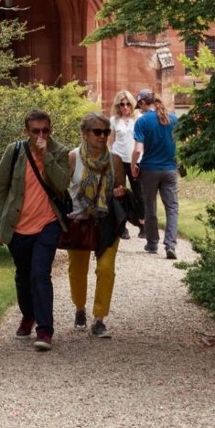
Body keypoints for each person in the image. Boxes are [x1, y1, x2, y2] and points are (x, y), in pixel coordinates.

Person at [0, 108, 72, 350]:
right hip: (18, 226)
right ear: (26, 131)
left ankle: (45, 330)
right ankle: (28, 315)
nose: (41, 135)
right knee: (23, 275)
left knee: (40, 274)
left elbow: (62, 184)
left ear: (51, 130)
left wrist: (45, 156)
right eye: (35, 131)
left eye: (45, 131)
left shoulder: (60, 152)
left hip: (48, 223)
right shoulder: (14, 151)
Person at [65, 111, 124, 337]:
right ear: (85, 134)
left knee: (106, 268)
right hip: (79, 221)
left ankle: (99, 319)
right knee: (78, 270)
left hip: (106, 222)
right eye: (97, 132)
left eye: (106, 132)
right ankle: (80, 308)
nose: (102, 137)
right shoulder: (72, 158)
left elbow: (120, 188)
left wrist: (119, 192)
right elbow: (62, 189)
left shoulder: (115, 160)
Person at [131, 89, 181, 260]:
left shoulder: (142, 121)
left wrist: (133, 165)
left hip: (150, 170)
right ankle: (170, 245)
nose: (140, 109)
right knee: (172, 208)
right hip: (170, 169)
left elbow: (138, 149)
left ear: (144, 103)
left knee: (150, 206)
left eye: (140, 105)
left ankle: (152, 243)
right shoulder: (173, 118)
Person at [108, 90, 140, 240]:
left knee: (138, 192)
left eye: (128, 104)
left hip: (134, 161)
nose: (125, 107)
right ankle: (122, 227)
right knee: (119, 193)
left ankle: (141, 223)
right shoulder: (114, 120)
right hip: (118, 161)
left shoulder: (138, 118)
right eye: (122, 104)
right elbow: (110, 141)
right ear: (118, 105)